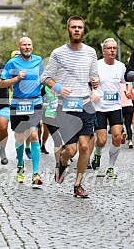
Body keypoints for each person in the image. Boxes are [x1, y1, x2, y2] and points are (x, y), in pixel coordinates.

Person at [41, 15, 99, 197]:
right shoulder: (58, 53)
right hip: (66, 107)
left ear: (83, 30)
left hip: (86, 105)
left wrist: (96, 81)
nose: (76, 30)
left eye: (80, 27)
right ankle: (62, 164)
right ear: (68, 29)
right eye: (73, 27)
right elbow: (45, 77)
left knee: (84, 147)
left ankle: (78, 185)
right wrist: (58, 87)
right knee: (71, 150)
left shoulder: (91, 52)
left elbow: (94, 77)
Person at [0, 37, 44, 185]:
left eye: (29, 44)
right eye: (24, 45)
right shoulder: (12, 63)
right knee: (19, 138)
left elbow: (44, 79)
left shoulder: (38, 61)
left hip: (35, 102)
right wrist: (16, 78)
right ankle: (20, 166)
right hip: (18, 104)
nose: (27, 47)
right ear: (19, 47)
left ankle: (36, 173)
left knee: (33, 134)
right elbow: (1, 83)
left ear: (32, 46)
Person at [91, 38, 131, 178]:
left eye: (114, 48)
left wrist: (128, 90)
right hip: (99, 107)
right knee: (101, 140)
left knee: (117, 136)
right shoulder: (96, 66)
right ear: (103, 51)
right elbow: (87, 82)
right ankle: (97, 154)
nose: (113, 50)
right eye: (109, 48)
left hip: (115, 106)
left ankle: (110, 168)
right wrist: (92, 94)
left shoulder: (120, 66)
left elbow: (127, 81)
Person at [10, 49, 32, 159]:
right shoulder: (10, 70)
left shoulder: (28, 69)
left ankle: (27, 147)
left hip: (28, 102)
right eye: (16, 57)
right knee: (18, 130)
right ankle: (19, 147)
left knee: (28, 128)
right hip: (14, 103)